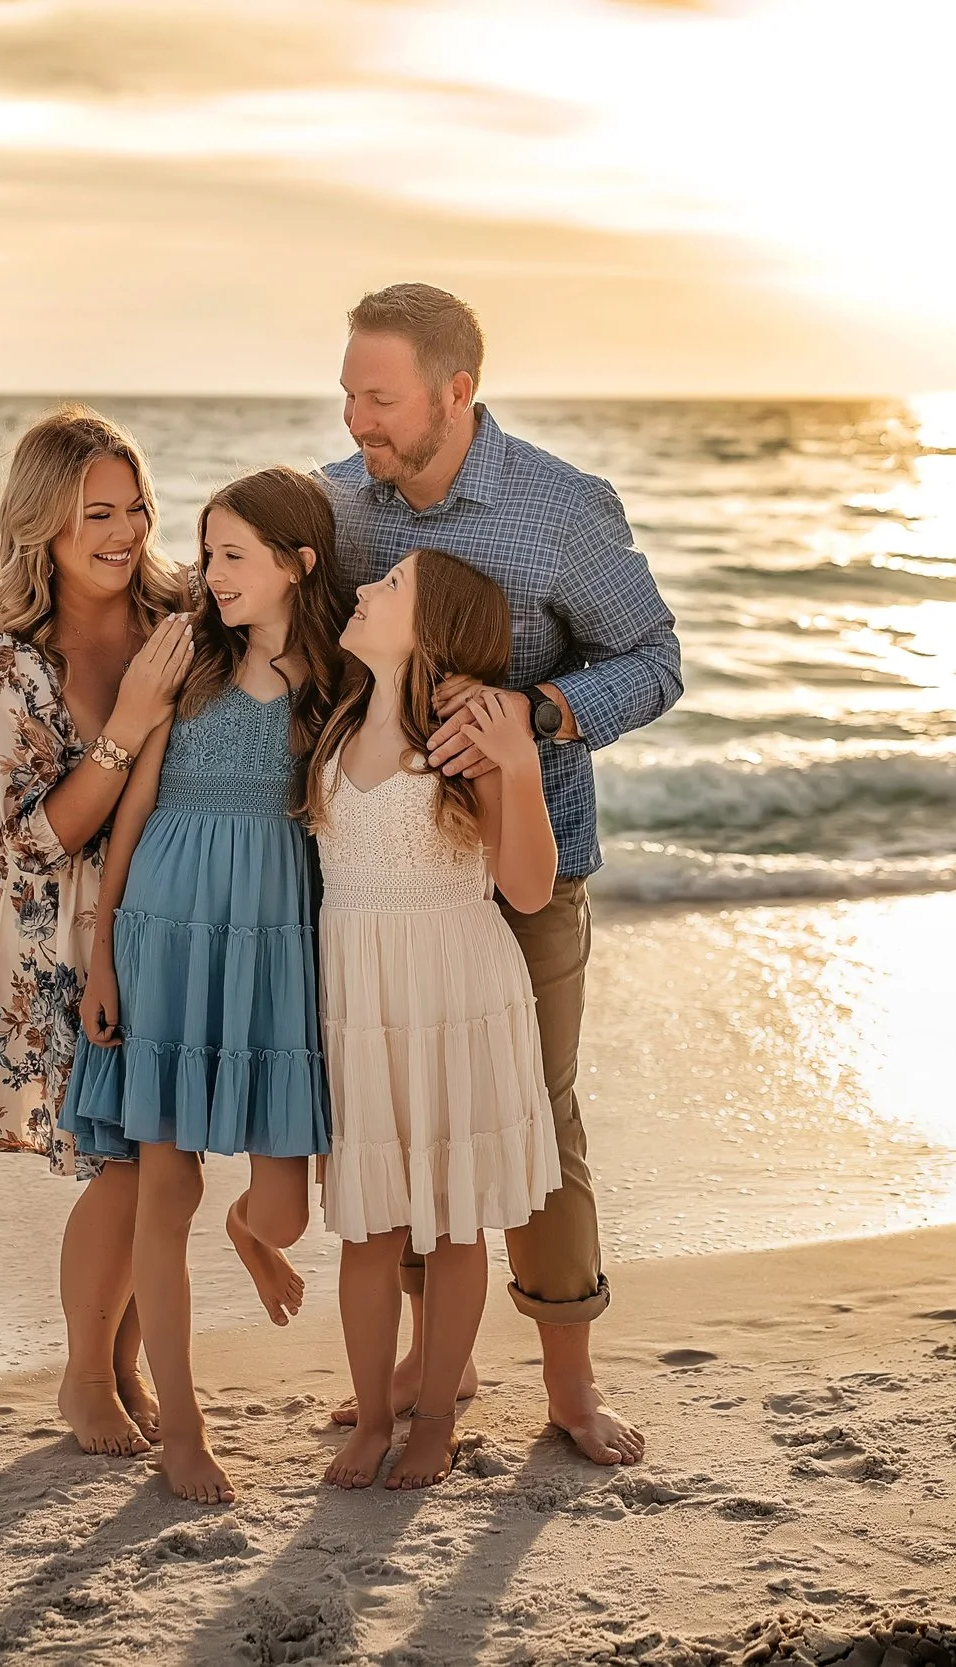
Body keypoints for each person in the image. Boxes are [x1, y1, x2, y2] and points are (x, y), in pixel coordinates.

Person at [319, 283, 682, 1466]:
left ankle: (570, 1388)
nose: (357, 417)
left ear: (453, 391)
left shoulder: (561, 512)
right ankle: (440, 1368)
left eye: (379, 397)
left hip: (529, 867)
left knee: (537, 1122)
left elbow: (655, 656)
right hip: (385, 880)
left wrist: (539, 711)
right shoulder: (340, 507)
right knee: (408, 1108)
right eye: (348, 392)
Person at [58, 466, 350, 1503]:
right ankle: (183, 1430)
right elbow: (130, 812)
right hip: (165, 926)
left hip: (271, 940)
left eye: (231, 555)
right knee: (163, 1186)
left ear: (295, 564)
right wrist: (101, 956)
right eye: (208, 550)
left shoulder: (337, 677)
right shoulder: (183, 656)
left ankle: (240, 1239)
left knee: (281, 1204)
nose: (207, 573)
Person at [0, 403, 193, 1460]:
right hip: (58, 931)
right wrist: (131, 720)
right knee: (126, 1158)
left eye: (136, 505)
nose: (125, 530)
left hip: (168, 906)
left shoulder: (178, 613)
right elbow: (42, 836)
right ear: (41, 524)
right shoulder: (9, 663)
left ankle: (128, 1361)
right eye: (97, 511)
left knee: (168, 1148)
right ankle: (83, 1374)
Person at [313, 548, 565, 1490]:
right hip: (363, 1003)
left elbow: (529, 888)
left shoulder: (468, 738)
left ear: (433, 627)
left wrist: (523, 762)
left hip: (456, 997)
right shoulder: (334, 726)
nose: (365, 591)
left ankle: (432, 1423)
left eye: (389, 587)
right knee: (369, 1227)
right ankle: (372, 1414)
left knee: (457, 1222)